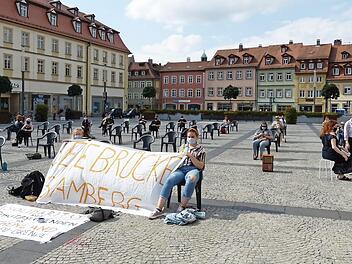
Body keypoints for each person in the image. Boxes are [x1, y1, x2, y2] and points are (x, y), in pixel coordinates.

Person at [149, 128, 206, 219]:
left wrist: (190, 156)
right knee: (170, 179)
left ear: (197, 137)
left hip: (193, 169)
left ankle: (182, 205)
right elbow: (176, 159)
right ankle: (159, 208)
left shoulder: (201, 149)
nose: (190, 138)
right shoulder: (183, 147)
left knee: (191, 179)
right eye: (188, 137)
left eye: (192, 137)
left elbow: (201, 166)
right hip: (181, 169)